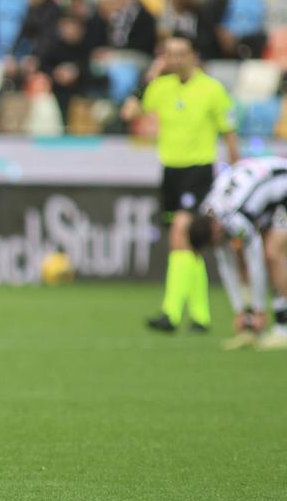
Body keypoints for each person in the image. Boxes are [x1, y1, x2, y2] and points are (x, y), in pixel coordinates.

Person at [122, 36, 239, 333]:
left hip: (198, 171)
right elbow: (129, 112)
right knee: (190, 246)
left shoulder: (211, 89)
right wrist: (148, 77)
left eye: (180, 54)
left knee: (180, 234)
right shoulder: (161, 87)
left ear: (194, 56)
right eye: (169, 54)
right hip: (170, 172)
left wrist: (235, 172)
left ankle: (170, 313)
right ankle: (200, 317)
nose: (175, 59)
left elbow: (229, 132)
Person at [188, 158, 287, 351]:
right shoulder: (209, 211)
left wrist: (260, 309)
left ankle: (283, 326)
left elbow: (256, 261)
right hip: (264, 194)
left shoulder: (234, 219)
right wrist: (239, 310)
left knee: (273, 254)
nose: (216, 246)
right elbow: (227, 266)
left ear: (215, 231)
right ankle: (250, 327)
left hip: (283, 187)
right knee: (240, 256)